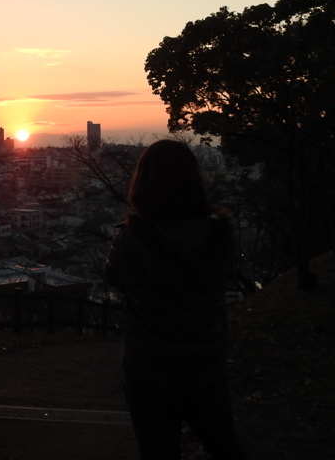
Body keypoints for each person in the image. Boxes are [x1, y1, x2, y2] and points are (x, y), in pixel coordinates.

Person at [105, 140, 248, 460]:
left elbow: (112, 277)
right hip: (204, 358)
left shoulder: (131, 236)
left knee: (157, 452)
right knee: (224, 445)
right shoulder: (219, 235)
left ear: (143, 180)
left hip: (148, 361)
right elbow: (221, 278)